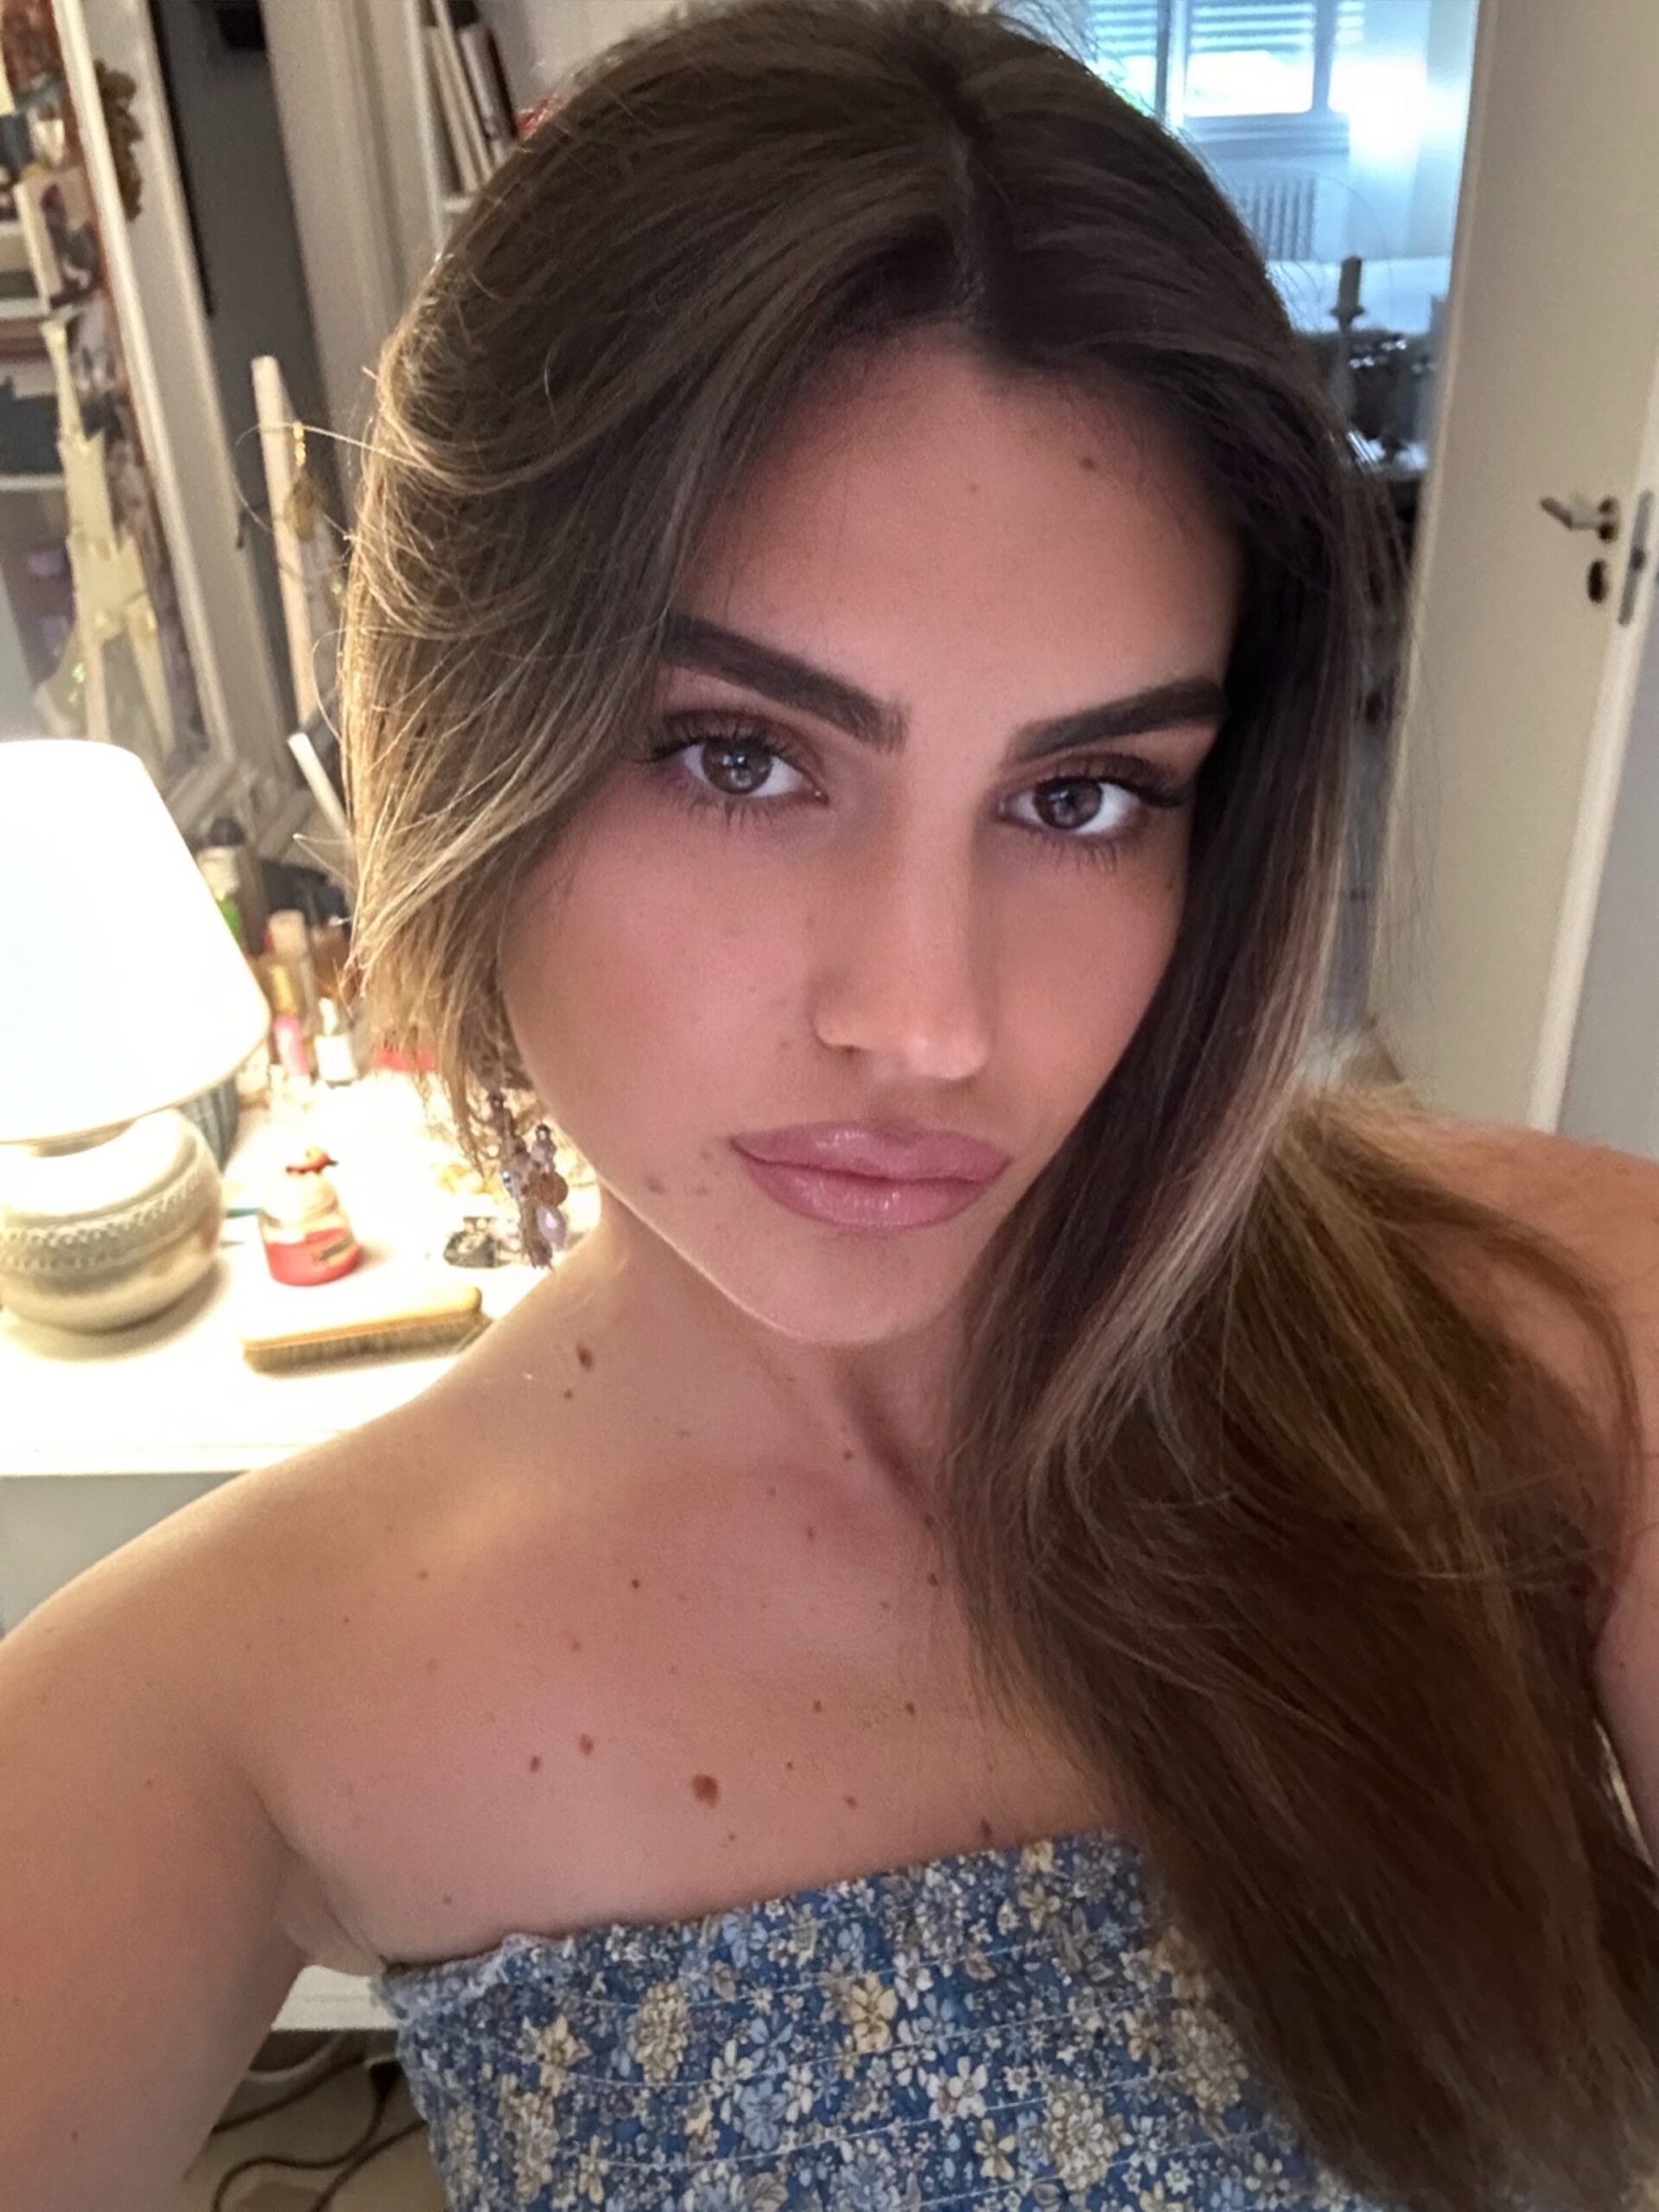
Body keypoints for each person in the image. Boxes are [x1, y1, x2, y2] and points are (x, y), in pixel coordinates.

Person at [6, 2, 1659, 2207]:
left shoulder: (1564, 1344)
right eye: (740, 757)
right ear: (457, 731)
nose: (927, 1019)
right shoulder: (214, 1699)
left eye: (1084, 793)